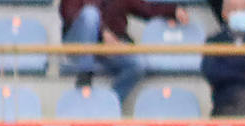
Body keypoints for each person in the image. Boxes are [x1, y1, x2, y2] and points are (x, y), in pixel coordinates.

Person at [59, 0, 188, 103]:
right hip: (79, 44)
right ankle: (85, 75)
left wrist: (173, 10)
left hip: (110, 47)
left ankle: (109, 105)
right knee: (90, 14)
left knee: (138, 63)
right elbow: (69, 14)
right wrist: (103, 33)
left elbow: (146, 9)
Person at [202, 0, 245, 117]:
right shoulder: (214, 41)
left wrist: (228, 64)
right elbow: (211, 72)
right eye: (234, 9)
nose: (239, 13)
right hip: (225, 102)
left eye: (243, 10)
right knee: (240, 102)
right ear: (224, 13)